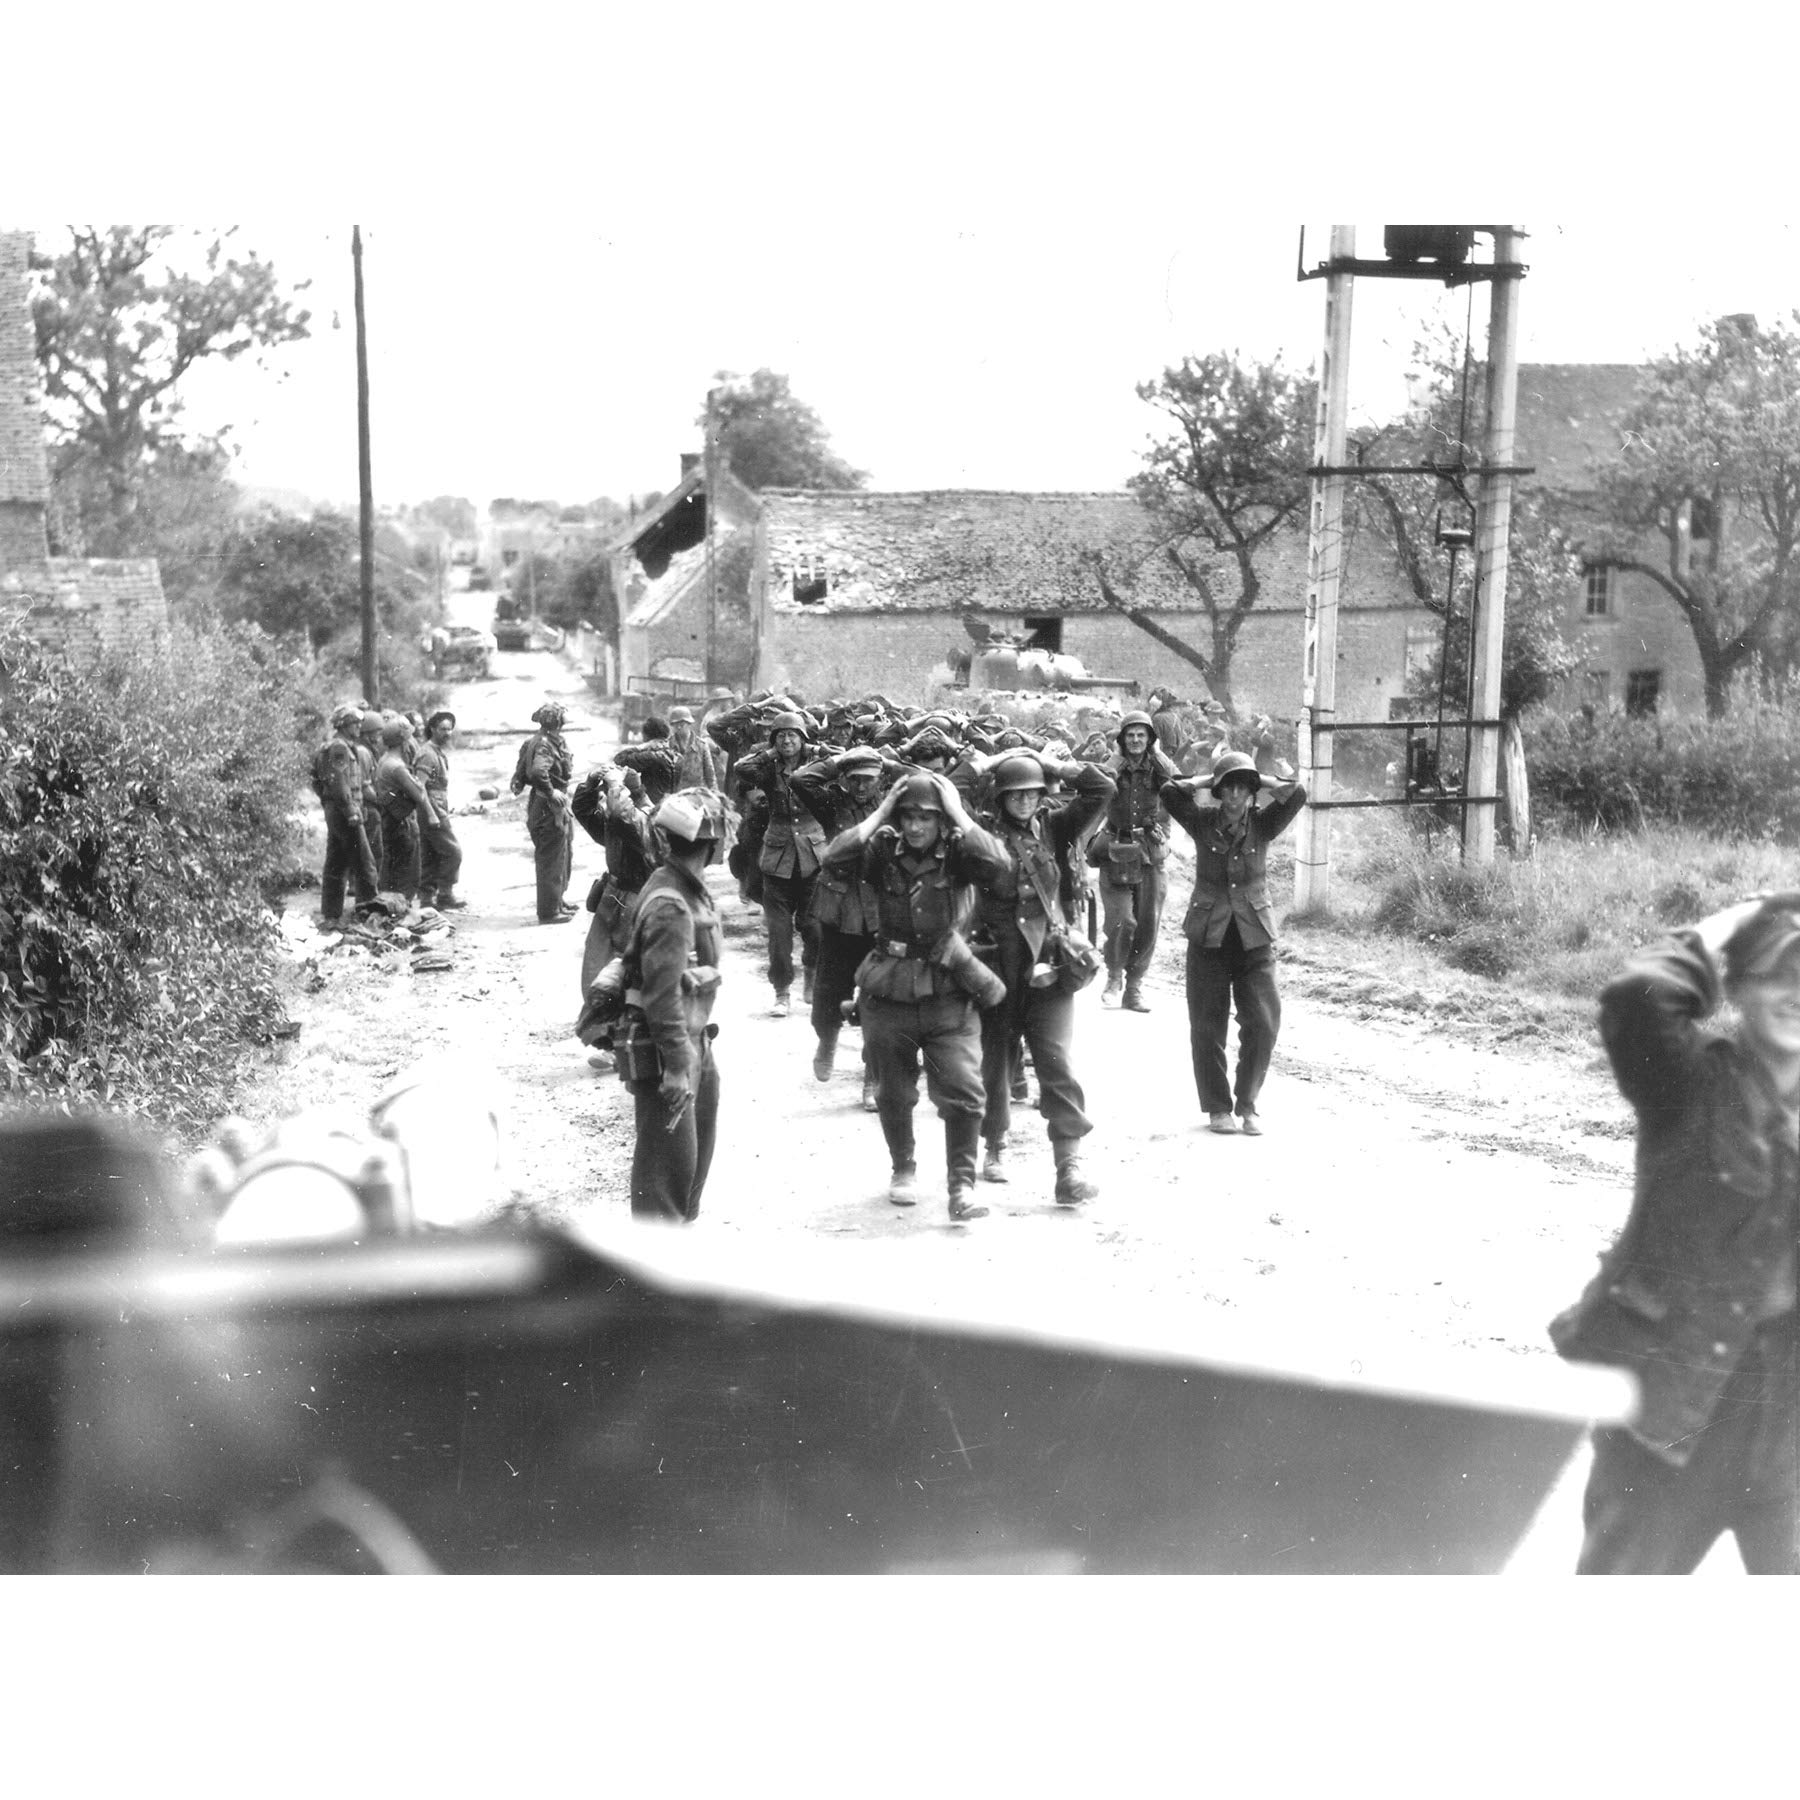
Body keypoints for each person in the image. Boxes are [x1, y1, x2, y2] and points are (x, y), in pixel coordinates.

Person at [1549, 891, 1800, 1574]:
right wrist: (1739, 920)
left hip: (1787, 1427)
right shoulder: (1689, 1085)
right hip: (1671, 1416)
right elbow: (1640, 994)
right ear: (1739, 985)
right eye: (1785, 971)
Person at [820, 770, 1009, 1223]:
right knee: (894, 1091)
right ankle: (902, 1167)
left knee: (964, 1091)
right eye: (908, 817)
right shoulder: (882, 849)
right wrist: (880, 812)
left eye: (926, 817)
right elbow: (832, 858)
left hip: (949, 987)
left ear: (940, 820)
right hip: (890, 988)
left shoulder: (960, 852)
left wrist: (959, 813)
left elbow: (1000, 865)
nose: (916, 826)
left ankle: (960, 1187)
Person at [974, 750, 1115, 1203]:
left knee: (1056, 1060)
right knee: (995, 1060)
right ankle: (994, 1145)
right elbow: (948, 790)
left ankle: (1068, 1166)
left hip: (1048, 966)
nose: (1024, 801)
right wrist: (991, 759)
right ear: (1001, 796)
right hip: (997, 964)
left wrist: (1050, 763)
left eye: (1032, 793)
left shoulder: (1054, 826)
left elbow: (1102, 788)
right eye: (1015, 794)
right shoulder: (979, 833)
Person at [1160, 750, 1307, 1136]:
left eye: (1243, 788)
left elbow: (1298, 793)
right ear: (1218, 792)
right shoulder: (1201, 821)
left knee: (1263, 1021)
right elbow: (1169, 791)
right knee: (1207, 1026)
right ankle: (1217, 1109)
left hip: (1253, 936)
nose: (1235, 796)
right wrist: (1207, 779)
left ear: (1252, 792)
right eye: (1228, 788)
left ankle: (1248, 1103)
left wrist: (1263, 778)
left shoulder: (1264, 825)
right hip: (1208, 934)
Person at [615, 788, 727, 1224]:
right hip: (671, 1050)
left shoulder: (679, 886)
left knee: (688, 1167)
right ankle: (650, 1281)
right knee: (664, 1178)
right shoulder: (672, 903)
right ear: (715, 844)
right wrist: (679, 1066)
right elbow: (662, 997)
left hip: (691, 1042)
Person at [791, 743, 892, 1107]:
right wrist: (839, 761)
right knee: (829, 989)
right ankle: (828, 1039)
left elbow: (924, 780)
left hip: (880, 911)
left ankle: (872, 1079)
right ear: (845, 779)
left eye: (869, 779)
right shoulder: (834, 803)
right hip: (839, 907)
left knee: (878, 996)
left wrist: (887, 760)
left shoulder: (891, 807)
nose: (863, 786)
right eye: (856, 779)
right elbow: (801, 779)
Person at [732, 710, 825, 1017]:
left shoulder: (816, 764)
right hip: (777, 857)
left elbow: (845, 761)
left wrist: (821, 752)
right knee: (779, 932)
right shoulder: (767, 768)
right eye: (781, 735)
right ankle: (782, 992)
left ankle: (811, 975)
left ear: (803, 739)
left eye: (793, 735)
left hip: (813, 856)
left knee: (813, 927)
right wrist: (770, 752)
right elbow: (740, 768)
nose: (787, 740)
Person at [1093, 709, 1178, 1012]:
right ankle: (1114, 976)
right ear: (1122, 739)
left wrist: (1164, 833)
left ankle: (1134, 986)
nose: (1136, 740)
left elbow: (1176, 788)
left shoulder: (1158, 766)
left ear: (1150, 738)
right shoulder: (1113, 765)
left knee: (1147, 923)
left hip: (1149, 851)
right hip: (1116, 847)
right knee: (1120, 919)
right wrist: (1116, 759)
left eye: (1142, 735)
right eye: (1130, 735)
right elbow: (1099, 783)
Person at [571, 758, 658, 996]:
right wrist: (590, 783)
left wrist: (618, 785)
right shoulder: (616, 823)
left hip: (636, 900)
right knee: (595, 962)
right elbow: (582, 810)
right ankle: (597, 1017)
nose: (604, 801)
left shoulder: (646, 822)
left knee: (631, 967)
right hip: (612, 896)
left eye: (607, 797)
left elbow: (623, 815)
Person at [310, 704, 379, 925]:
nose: (359, 726)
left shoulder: (332, 747)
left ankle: (331, 914)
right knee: (364, 861)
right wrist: (350, 810)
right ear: (342, 725)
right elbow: (339, 783)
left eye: (359, 722)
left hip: (336, 809)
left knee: (336, 862)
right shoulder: (339, 748)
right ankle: (369, 912)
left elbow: (316, 780)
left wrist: (327, 801)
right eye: (354, 723)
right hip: (345, 811)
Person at [372, 718, 443, 906]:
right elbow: (419, 793)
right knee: (408, 873)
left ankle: (390, 908)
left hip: (390, 820)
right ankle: (401, 911)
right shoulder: (397, 767)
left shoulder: (384, 760)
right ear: (403, 740)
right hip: (403, 823)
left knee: (391, 869)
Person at [516, 701, 576, 923]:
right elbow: (539, 771)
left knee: (562, 853)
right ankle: (549, 911)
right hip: (547, 807)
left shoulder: (546, 740)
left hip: (551, 806)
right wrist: (552, 793)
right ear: (555, 722)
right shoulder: (544, 744)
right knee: (551, 857)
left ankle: (557, 900)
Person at [413, 709, 466, 911]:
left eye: (450, 729)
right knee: (453, 852)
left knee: (431, 854)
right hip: (431, 809)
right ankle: (445, 894)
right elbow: (420, 786)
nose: (447, 733)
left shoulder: (436, 751)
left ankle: (427, 899)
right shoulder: (427, 754)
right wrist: (432, 813)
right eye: (443, 729)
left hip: (435, 807)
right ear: (432, 729)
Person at [665, 705, 721, 790]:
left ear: (689, 724)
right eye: (676, 725)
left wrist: (715, 794)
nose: (679, 727)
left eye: (682, 724)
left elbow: (710, 775)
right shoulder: (668, 745)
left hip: (697, 794)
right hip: (676, 796)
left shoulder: (701, 745)